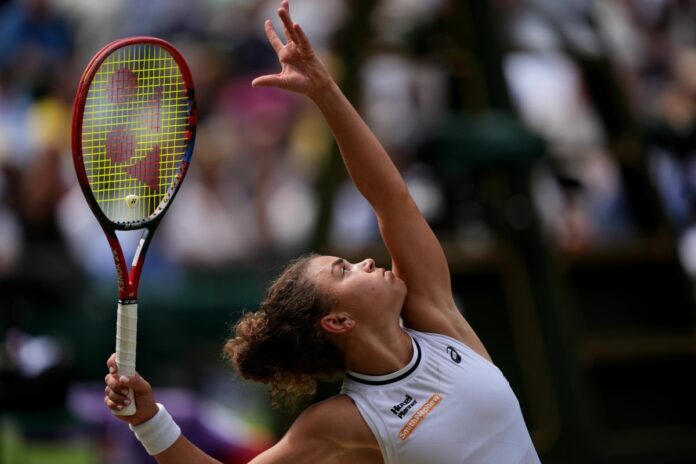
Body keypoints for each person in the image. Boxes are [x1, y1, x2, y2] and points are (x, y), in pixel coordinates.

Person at [103, 1, 541, 462]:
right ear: (338, 321)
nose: (366, 262)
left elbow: (391, 198)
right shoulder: (339, 423)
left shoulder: (437, 320)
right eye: (344, 270)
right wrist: (148, 421)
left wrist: (325, 91)